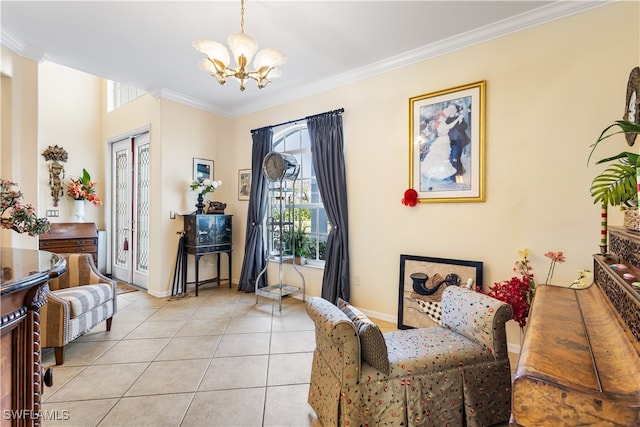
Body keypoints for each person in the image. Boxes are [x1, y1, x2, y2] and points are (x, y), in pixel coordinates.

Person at [420, 110, 459, 184]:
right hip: (442, 141)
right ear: (438, 118)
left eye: (443, 116)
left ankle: (441, 176)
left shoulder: (442, 123)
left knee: (443, 158)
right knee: (441, 158)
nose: (443, 118)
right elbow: (450, 126)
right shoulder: (441, 124)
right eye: (440, 117)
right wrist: (458, 119)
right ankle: (439, 176)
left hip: (444, 140)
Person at [443, 103, 471, 180]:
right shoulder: (446, 120)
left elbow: (465, 127)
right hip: (449, 141)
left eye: (452, 109)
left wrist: (460, 121)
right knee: (452, 158)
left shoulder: (459, 118)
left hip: (458, 140)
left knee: (455, 158)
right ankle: (458, 174)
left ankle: (456, 177)